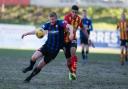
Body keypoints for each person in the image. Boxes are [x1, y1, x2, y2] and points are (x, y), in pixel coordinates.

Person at [21, 12, 74, 82]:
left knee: (40, 66)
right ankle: (30, 67)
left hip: (53, 52)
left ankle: (29, 78)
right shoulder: (47, 25)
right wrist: (27, 33)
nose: (52, 21)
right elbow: (37, 30)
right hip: (46, 46)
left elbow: (70, 26)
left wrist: (71, 34)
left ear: (56, 18)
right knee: (34, 57)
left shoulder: (60, 23)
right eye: (50, 19)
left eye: (53, 19)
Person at [63, 5, 88, 80]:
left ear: (77, 13)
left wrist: (88, 38)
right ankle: (71, 71)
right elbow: (65, 28)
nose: (74, 14)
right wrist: (70, 31)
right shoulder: (67, 17)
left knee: (73, 52)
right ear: (71, 11)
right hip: (65, 41)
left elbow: (83, 28)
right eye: (73, 12)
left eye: (76, 12)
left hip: (73, 39)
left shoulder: (79, 19)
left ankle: (74, 71)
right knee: (68, 62)